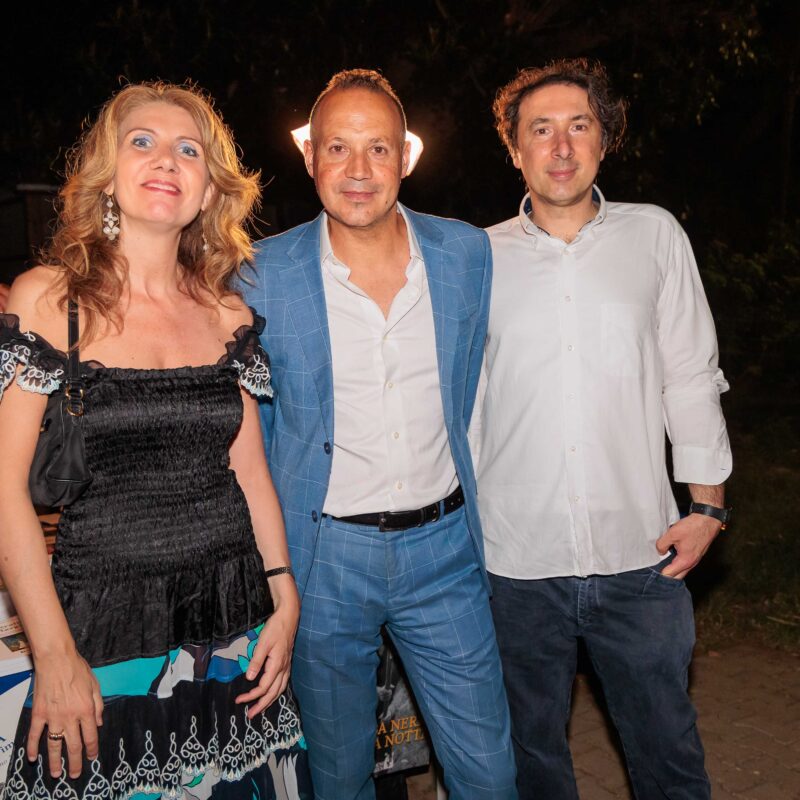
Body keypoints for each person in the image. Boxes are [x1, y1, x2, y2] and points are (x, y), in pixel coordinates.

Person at [0, 82, 312, 800]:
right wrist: (53, 654)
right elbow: (5, 489)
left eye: (188, 149)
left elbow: (250, 472)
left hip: (235, 626)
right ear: (108, 174)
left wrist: (284, 595)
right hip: (99, 633)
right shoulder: (49, 300)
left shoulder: (228, 313)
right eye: (142, 141)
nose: (166, 159)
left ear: (208, 190)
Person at [245, 69, 517, 800]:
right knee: (339, 779)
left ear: (407, 156)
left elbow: (475, 384)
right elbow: (253, 436)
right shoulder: (258, 276)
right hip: (325, 560)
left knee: (490, 774)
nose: (358, 169)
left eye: (378, 148)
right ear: (310, 157)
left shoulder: (465, 254)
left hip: (445, 552)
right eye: (338, 147)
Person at [472, 59, 732, 799]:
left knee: (668, 756)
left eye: (578, 126)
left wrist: (707, 506)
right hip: (514, 562)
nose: (560, 147)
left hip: (641, 554)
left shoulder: (654, 235)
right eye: (540, 130)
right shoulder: (476, 257)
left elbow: (691, 373)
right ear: (514, 149)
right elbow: (466, 403)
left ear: (604, 139)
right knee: (531, 763)